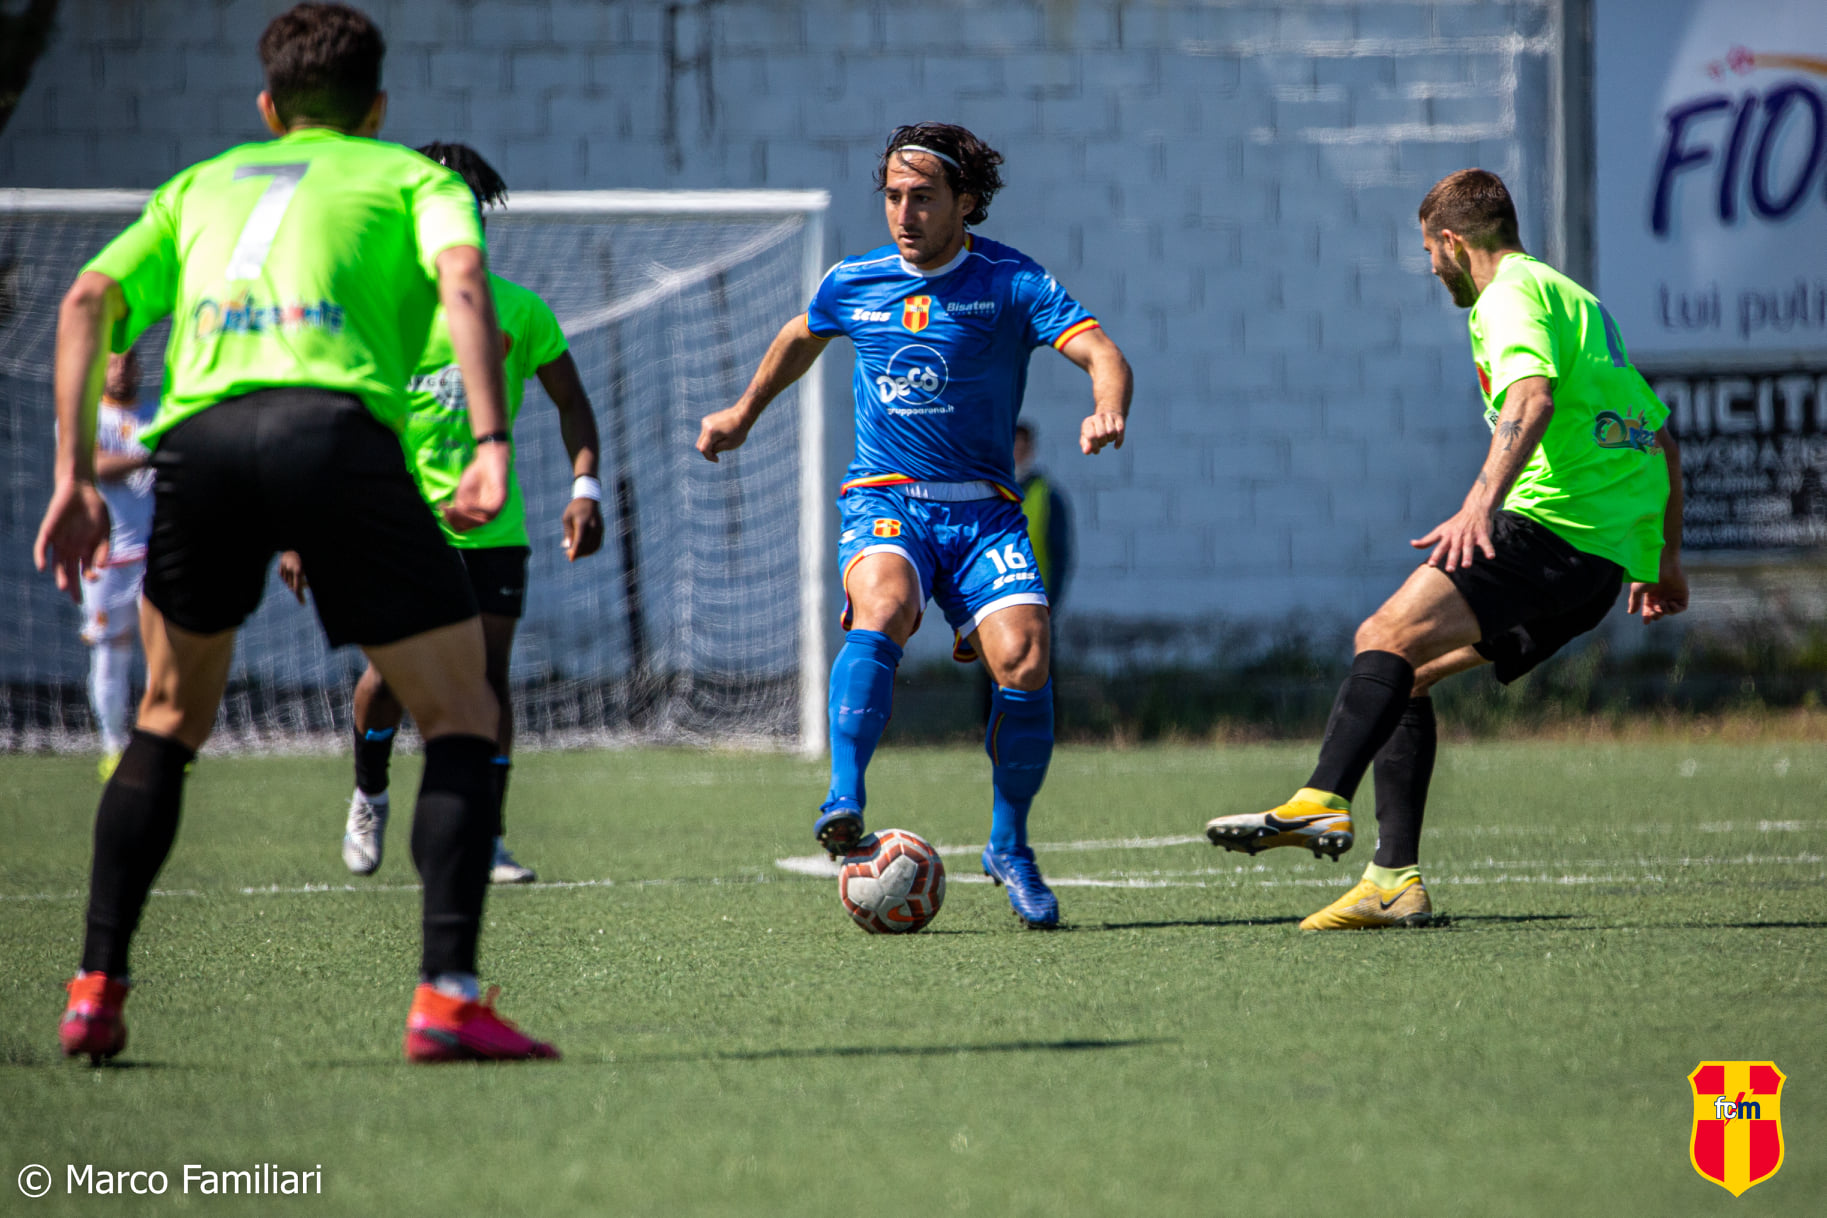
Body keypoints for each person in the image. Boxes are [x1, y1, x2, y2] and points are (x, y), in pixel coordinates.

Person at [36, 2, 557, 1062]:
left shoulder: (200, 185)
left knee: (166, 719)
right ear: (378, 108)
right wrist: (491, 437)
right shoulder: (412, 180)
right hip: (334, 435)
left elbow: (86, 300)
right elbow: (464, 283)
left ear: (268, 107)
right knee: (462, 712)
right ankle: (446, 999)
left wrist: (71, 476)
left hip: (202, 446)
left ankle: (95, 988)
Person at [1203, 168, 1688, 929]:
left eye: (1429, 251)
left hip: (1549, 533)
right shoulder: (1577, 301)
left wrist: (1478, 505)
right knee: (1409, 674)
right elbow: (1661, 439)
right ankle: (1392, 882)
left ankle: (1321, 799)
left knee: (1383, 635)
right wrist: (1663, 560)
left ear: (1453, 242)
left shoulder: (1507, 297)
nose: (1430, 267)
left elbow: (1531, 397)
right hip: (1596, 564)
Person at [696, 122, 1133, 929]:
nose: (904, 213)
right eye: (893, 196)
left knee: (1025, 658)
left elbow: (1102, 351)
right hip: (886, 499)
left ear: (966, 202)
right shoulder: (854, 280)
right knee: (886, 606)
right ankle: (842, 798)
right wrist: (742, 413)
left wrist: (1106, 407)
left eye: (923, 197)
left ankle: (1009, 844)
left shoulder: (1010, 281)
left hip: (984, 513)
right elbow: (800, 335)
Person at [279, 141, 604, 886]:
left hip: (493, 530)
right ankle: (369, 791)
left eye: (470, 206)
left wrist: (584, 487)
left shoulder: (519, 310)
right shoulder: (379, 312)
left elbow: (572, 402)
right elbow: (323, 417)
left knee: (486, 681)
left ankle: (485, 836)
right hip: (393, 525)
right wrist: (301, 528)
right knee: (389, 675)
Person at [79, 348, 157, 780]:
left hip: (154, 556)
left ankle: (161, 744)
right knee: (111, 653)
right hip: (104, 558)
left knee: (165, 652)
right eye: (112, 362)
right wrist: (148, 455)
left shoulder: (157, 414)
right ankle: (113, 746)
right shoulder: (85, 418)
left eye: (128, 361)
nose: (121, 370)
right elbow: (95, 466)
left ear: (139, 366)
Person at [1013, 420, 1074, 612]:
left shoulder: (1047, 496)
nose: (1017, 455)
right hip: (994, 602)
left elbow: (1059, 556)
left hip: (1034, 600)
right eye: (1013, 448)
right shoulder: (988, 494)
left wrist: (1050, 604)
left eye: (1022, 448)